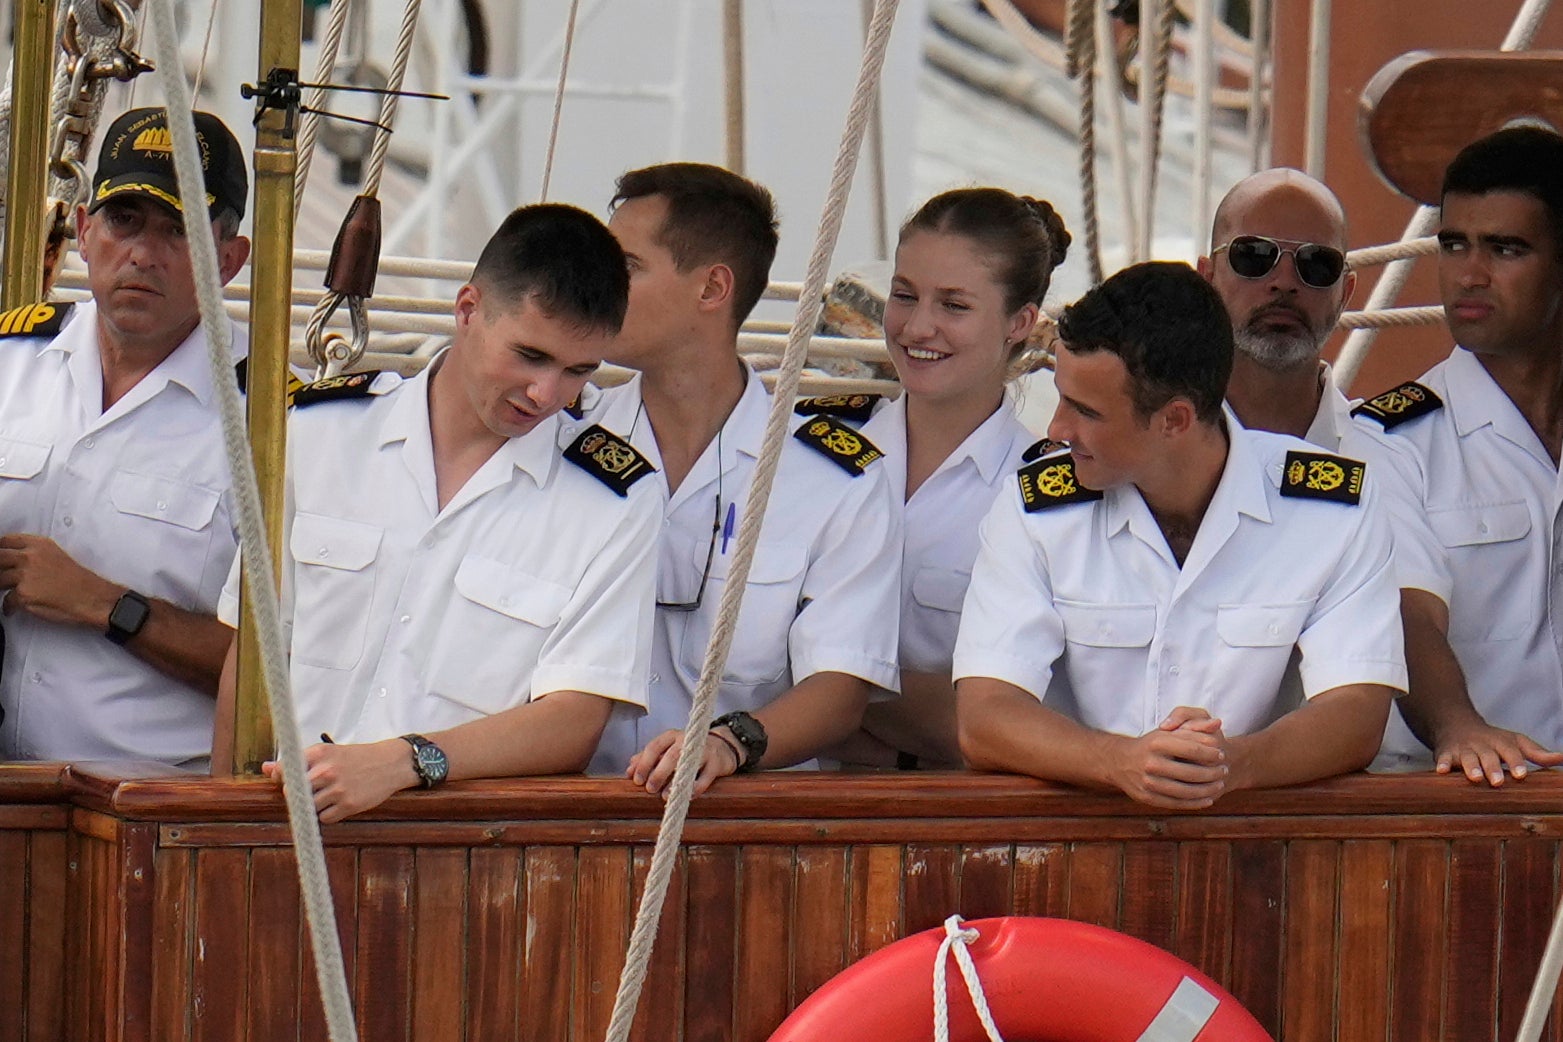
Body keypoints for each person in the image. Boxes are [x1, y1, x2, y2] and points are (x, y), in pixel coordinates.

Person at [216, 203, 661, 822]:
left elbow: (575, 720)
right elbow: (253, 653)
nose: (547, 394)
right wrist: (215, 817)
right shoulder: (317, 434)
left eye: (578, 371)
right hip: (276, 827)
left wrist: (402, 763)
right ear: (468, 309)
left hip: (462, 861)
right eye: (530, 356)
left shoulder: (616, 498)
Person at [954, 261, 1404, 809]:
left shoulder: (1334, 508)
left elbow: (1357, 711)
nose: (1057, 430)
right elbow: (984, 716)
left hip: (1259, 849)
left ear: (1175, 420)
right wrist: (1118, 761)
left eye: (1086, 411)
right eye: (1060, 397)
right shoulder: (1033, 507)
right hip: (1081, 848)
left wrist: (1229, 765)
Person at [572, 162, 901, 794]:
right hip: (567, 814)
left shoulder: (837, 479)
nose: (599, 285)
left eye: (628, 267)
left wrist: (728, 744)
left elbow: (839, 688)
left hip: (741, 825)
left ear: (712, 288)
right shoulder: (562, 441)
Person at [0, 107, 252, 767]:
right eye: (124, 221)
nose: (143, 254)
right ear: (83, 230)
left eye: (179, 230)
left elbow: (294, 673)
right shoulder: (8, 360)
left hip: (147, 815)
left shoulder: (274, 426)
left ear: (229, 258)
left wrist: (107, 605)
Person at [825, 188, 1070, 769]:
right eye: (904, 296)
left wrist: (826, 687)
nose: (918, 327)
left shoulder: (1049, 497)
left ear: (1021, 322)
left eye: (954, 306)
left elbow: (994, 722)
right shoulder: (811, 452)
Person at [1353, 126, 1563, 783]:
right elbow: (1406, 612)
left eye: (1505, 248)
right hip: (1453, 802)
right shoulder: (1384, 439)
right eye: (1452, 245)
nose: (1468, 275)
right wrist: (1458, 727)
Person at [1199, 168, 1360, 449]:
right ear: (1207, 278)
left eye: (1317, 264)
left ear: (1345, 293)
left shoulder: (1394, 467)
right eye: (1253, 255)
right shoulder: (1142, 455)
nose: (1285, 282)